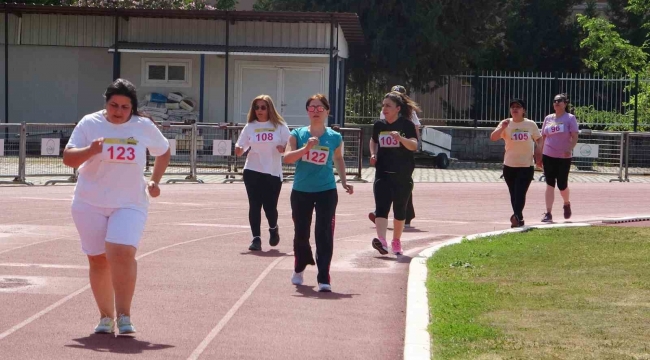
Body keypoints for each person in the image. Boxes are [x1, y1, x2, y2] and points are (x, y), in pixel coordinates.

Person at [62, 78, 171, 335]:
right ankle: (105, 316)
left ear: (132, 107)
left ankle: (124, 315)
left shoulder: (143, 126)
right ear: (106, 104)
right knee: (98, 260)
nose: (119, 112)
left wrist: (155, 180)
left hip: (129, 202)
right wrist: (92, 149)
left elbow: (163, 152)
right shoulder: (90, 123)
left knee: (122, 253)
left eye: (125, 107)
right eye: (114, 105)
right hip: (90, 202)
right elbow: (68, 158)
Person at [283, 94, 353, 292]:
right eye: (312, 107)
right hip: (301, 191)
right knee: (301, 233)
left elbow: (338, 159)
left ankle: (324, 276)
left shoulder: (334, 137)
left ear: (327, 111)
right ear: (307, 111)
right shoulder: (297, 134)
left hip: (326, 190)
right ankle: (299, 266)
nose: (315, 111)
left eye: (319, 108)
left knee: (324, 234)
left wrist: (344, 181)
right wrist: (306, 148)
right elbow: (287, 158)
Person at [235, 95, 290, 251]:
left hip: (272, 171)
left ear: (269, 109)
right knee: (254, 205)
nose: (259, 110)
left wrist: (284, 149)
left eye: (263, 107)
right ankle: (256, 238)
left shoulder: (279, 126)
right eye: (256, 107)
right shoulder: (250, 126)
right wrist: (239, 150)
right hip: (252, 169)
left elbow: (290, 145)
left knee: (270, 207)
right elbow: (241, 147)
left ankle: (273, 228)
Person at [369, 91, 419, 256]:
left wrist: (400, 139)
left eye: (388, 106)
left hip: (402, 175)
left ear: (398, 108)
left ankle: (396, 241)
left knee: (399, 210)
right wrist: (373, 154)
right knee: (381, 208)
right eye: (383, 105)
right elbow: (374, 140)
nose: (384, 108)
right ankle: (382, 242)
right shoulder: (379, 125)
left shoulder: (407, 125)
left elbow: (414, 145)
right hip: (382, 173)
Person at [490, 99, 543, 228]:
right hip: (509, 166)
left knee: (520, 192)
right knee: (513, 194)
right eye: (512, 107)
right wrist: (502, 127)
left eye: (518, 107)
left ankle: (516, 217)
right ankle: (519, 218)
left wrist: (538, 153)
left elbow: (540, 139)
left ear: (523, 110)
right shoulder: (505, 123)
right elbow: (493, 137)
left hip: (526, 166)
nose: (515, 109)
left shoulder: (530, 124)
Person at [539, 93, 579, 222]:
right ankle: (548, 213)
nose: (556, 103)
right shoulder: (548, 118)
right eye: (555, 101)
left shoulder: (570, 118)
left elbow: (575, 137)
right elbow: (543, 137)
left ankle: (566, 203)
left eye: (560, 101)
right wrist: (539, 155)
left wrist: (569, 149)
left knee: (562, 184)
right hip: (548, 155)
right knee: (549, 183)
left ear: (565, 104)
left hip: (563, 157)